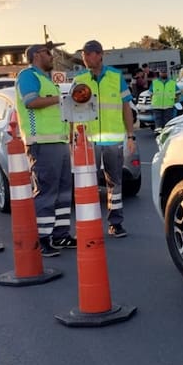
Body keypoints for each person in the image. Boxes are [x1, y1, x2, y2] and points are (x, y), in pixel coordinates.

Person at [73, 39, 137, 238]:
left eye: (87, 54)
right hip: (87, 142)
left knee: (114, 184)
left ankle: (116, 223)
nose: (84, 58)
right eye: (83, 55)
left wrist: (131, 136)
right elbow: (72, 109)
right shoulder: (80, 79)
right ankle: (89, 223)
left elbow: (126, 107)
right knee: (87, 184)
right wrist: (72, 138)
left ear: (99, 55)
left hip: (112, 141)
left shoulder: (115, 77)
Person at [15, 44, 71, 256]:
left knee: (64, 192)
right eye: (48, 53)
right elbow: (31, 102)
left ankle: (61, 235)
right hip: (42, 143)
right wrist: (61, 98)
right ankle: (42, 238)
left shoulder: (47, 79)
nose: (51, 56)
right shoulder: (28, 76)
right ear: (37, 55)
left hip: (59, 142)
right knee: (47, 192)